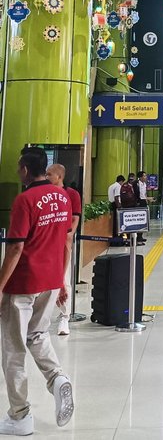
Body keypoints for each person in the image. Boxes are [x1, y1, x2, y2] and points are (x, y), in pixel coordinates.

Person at [0, 146, 74, 435]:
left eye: (19, 167)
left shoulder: (25, 200)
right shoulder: (64, 198)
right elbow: (66, 242)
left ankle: (19, 417)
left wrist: (0, 286)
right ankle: (57, 378)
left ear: (26, 170)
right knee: (38, 335)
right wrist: (62, 280)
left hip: (23, 284)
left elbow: (16, 247)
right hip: (50, 281)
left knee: (14, 350)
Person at [45, 164, 82, 337]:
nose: (46, 177)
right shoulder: (44, 194)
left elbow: (75, 218)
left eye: (49, 174)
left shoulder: (72, 194)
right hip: (46, 242)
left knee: (63, 278)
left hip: (63, 241)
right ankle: (43, 317)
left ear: (59, 176)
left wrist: (69, 235)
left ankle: (64, 316)